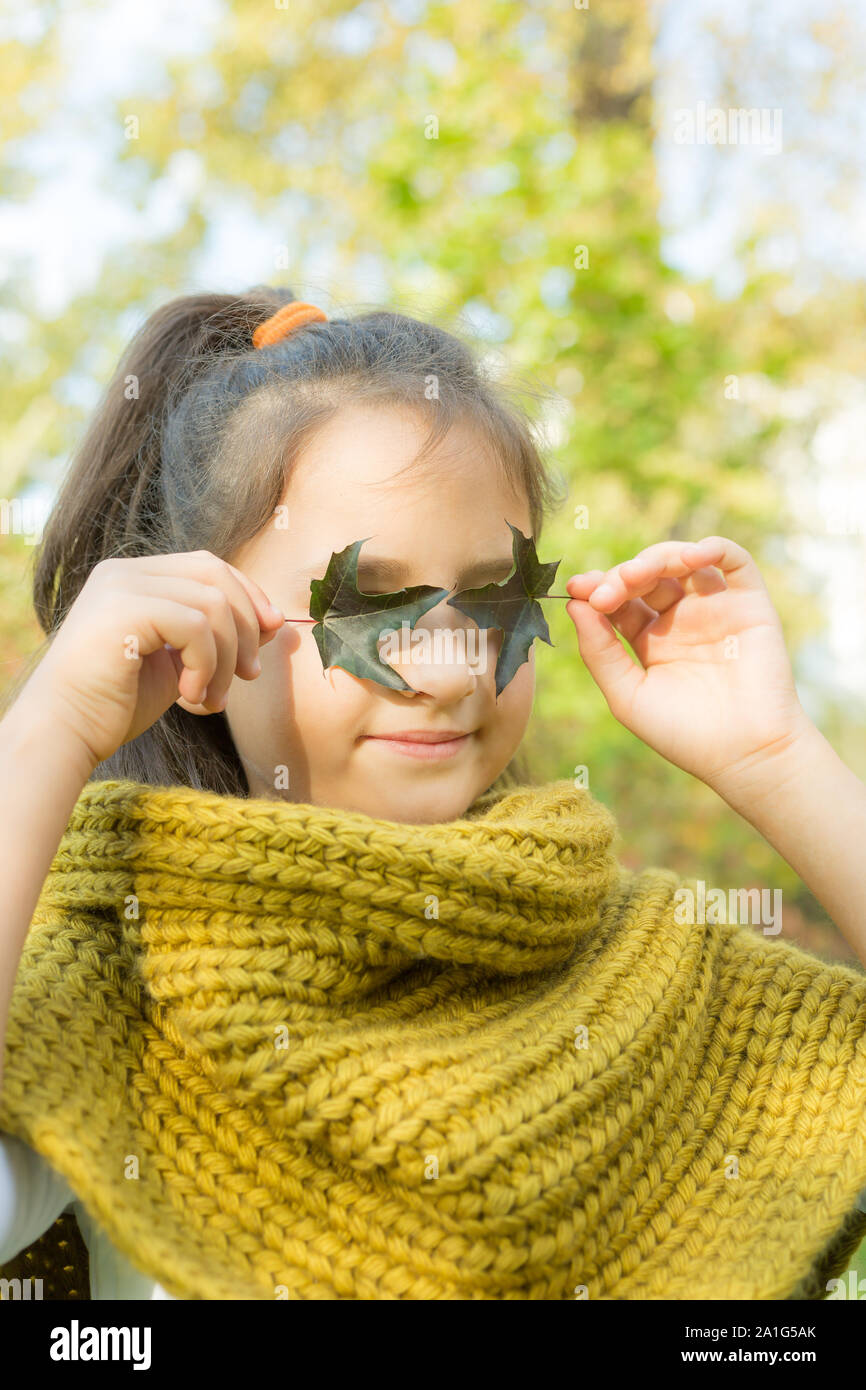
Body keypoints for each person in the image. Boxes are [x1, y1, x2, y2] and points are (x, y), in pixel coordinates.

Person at [0, 288, 864, 1301]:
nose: (450, 669)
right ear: (192, 615)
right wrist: (47, 730)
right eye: (370, 600)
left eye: (495, 597)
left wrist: (774, 756)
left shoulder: (658, 976)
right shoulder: (98, 985)